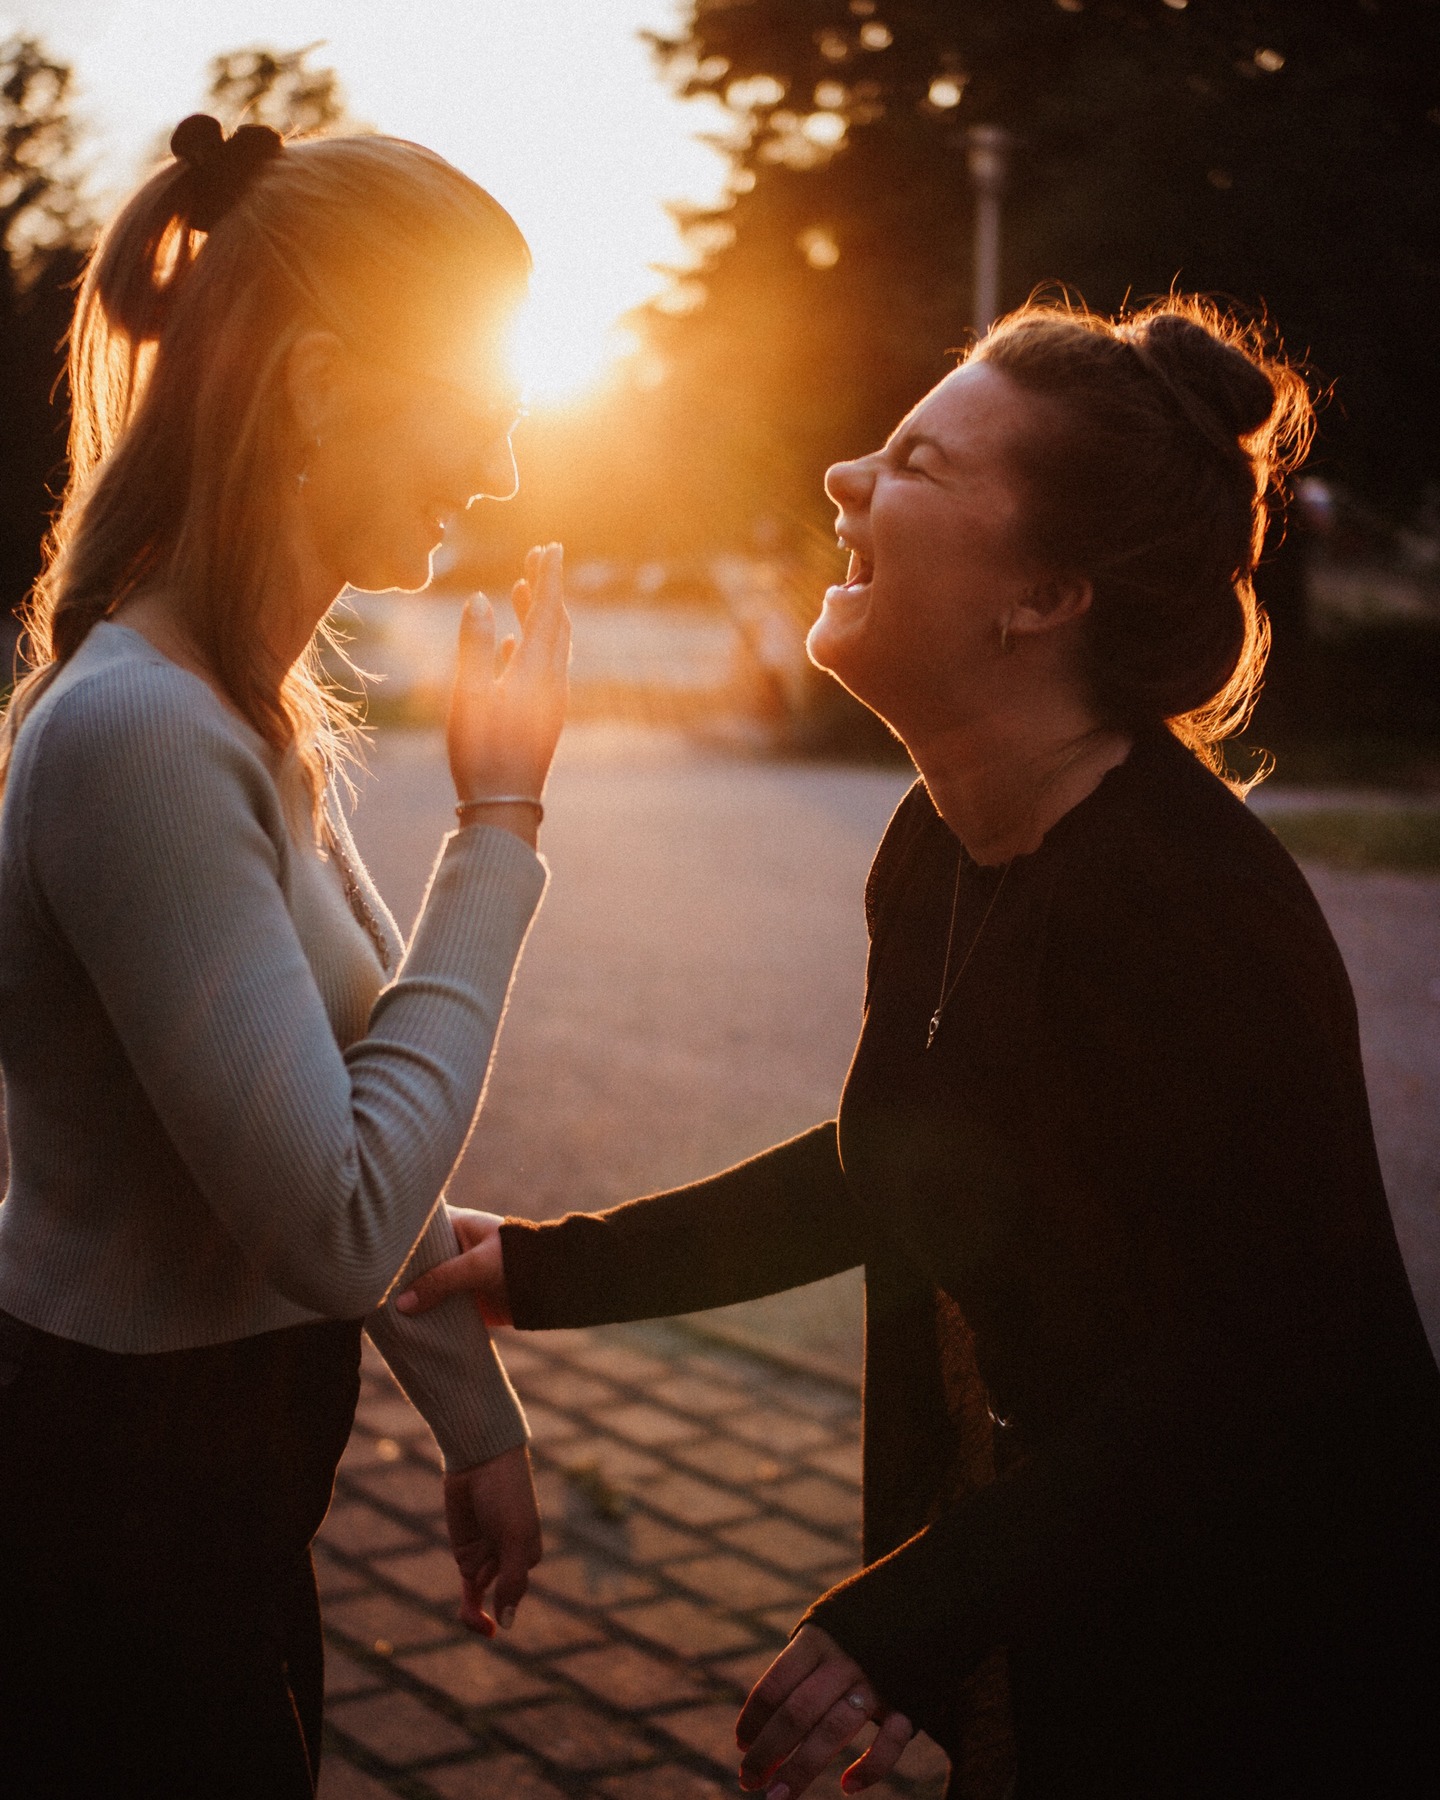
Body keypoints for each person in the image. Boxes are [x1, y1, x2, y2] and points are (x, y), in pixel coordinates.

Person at [400, 297, 1440, 1798]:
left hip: (1271, 1654)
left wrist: (910, 1614)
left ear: (1042, 596)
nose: (842, 479)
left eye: (916, 462)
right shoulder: (935, 842)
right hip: (1054, 1609)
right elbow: (901, 1166)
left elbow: (1253, 1362)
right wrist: (554, 1269)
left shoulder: (1198, 911)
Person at [0, 116, 569, 1797]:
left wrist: (477, 1424)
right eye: (482, 398)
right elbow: (334, 1218)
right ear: (321, 384)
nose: (505, 466)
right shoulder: (143, 736)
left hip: (208, 1511)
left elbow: (359, 1120)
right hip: (111, 1526)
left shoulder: (235, 716)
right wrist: (505, 824)